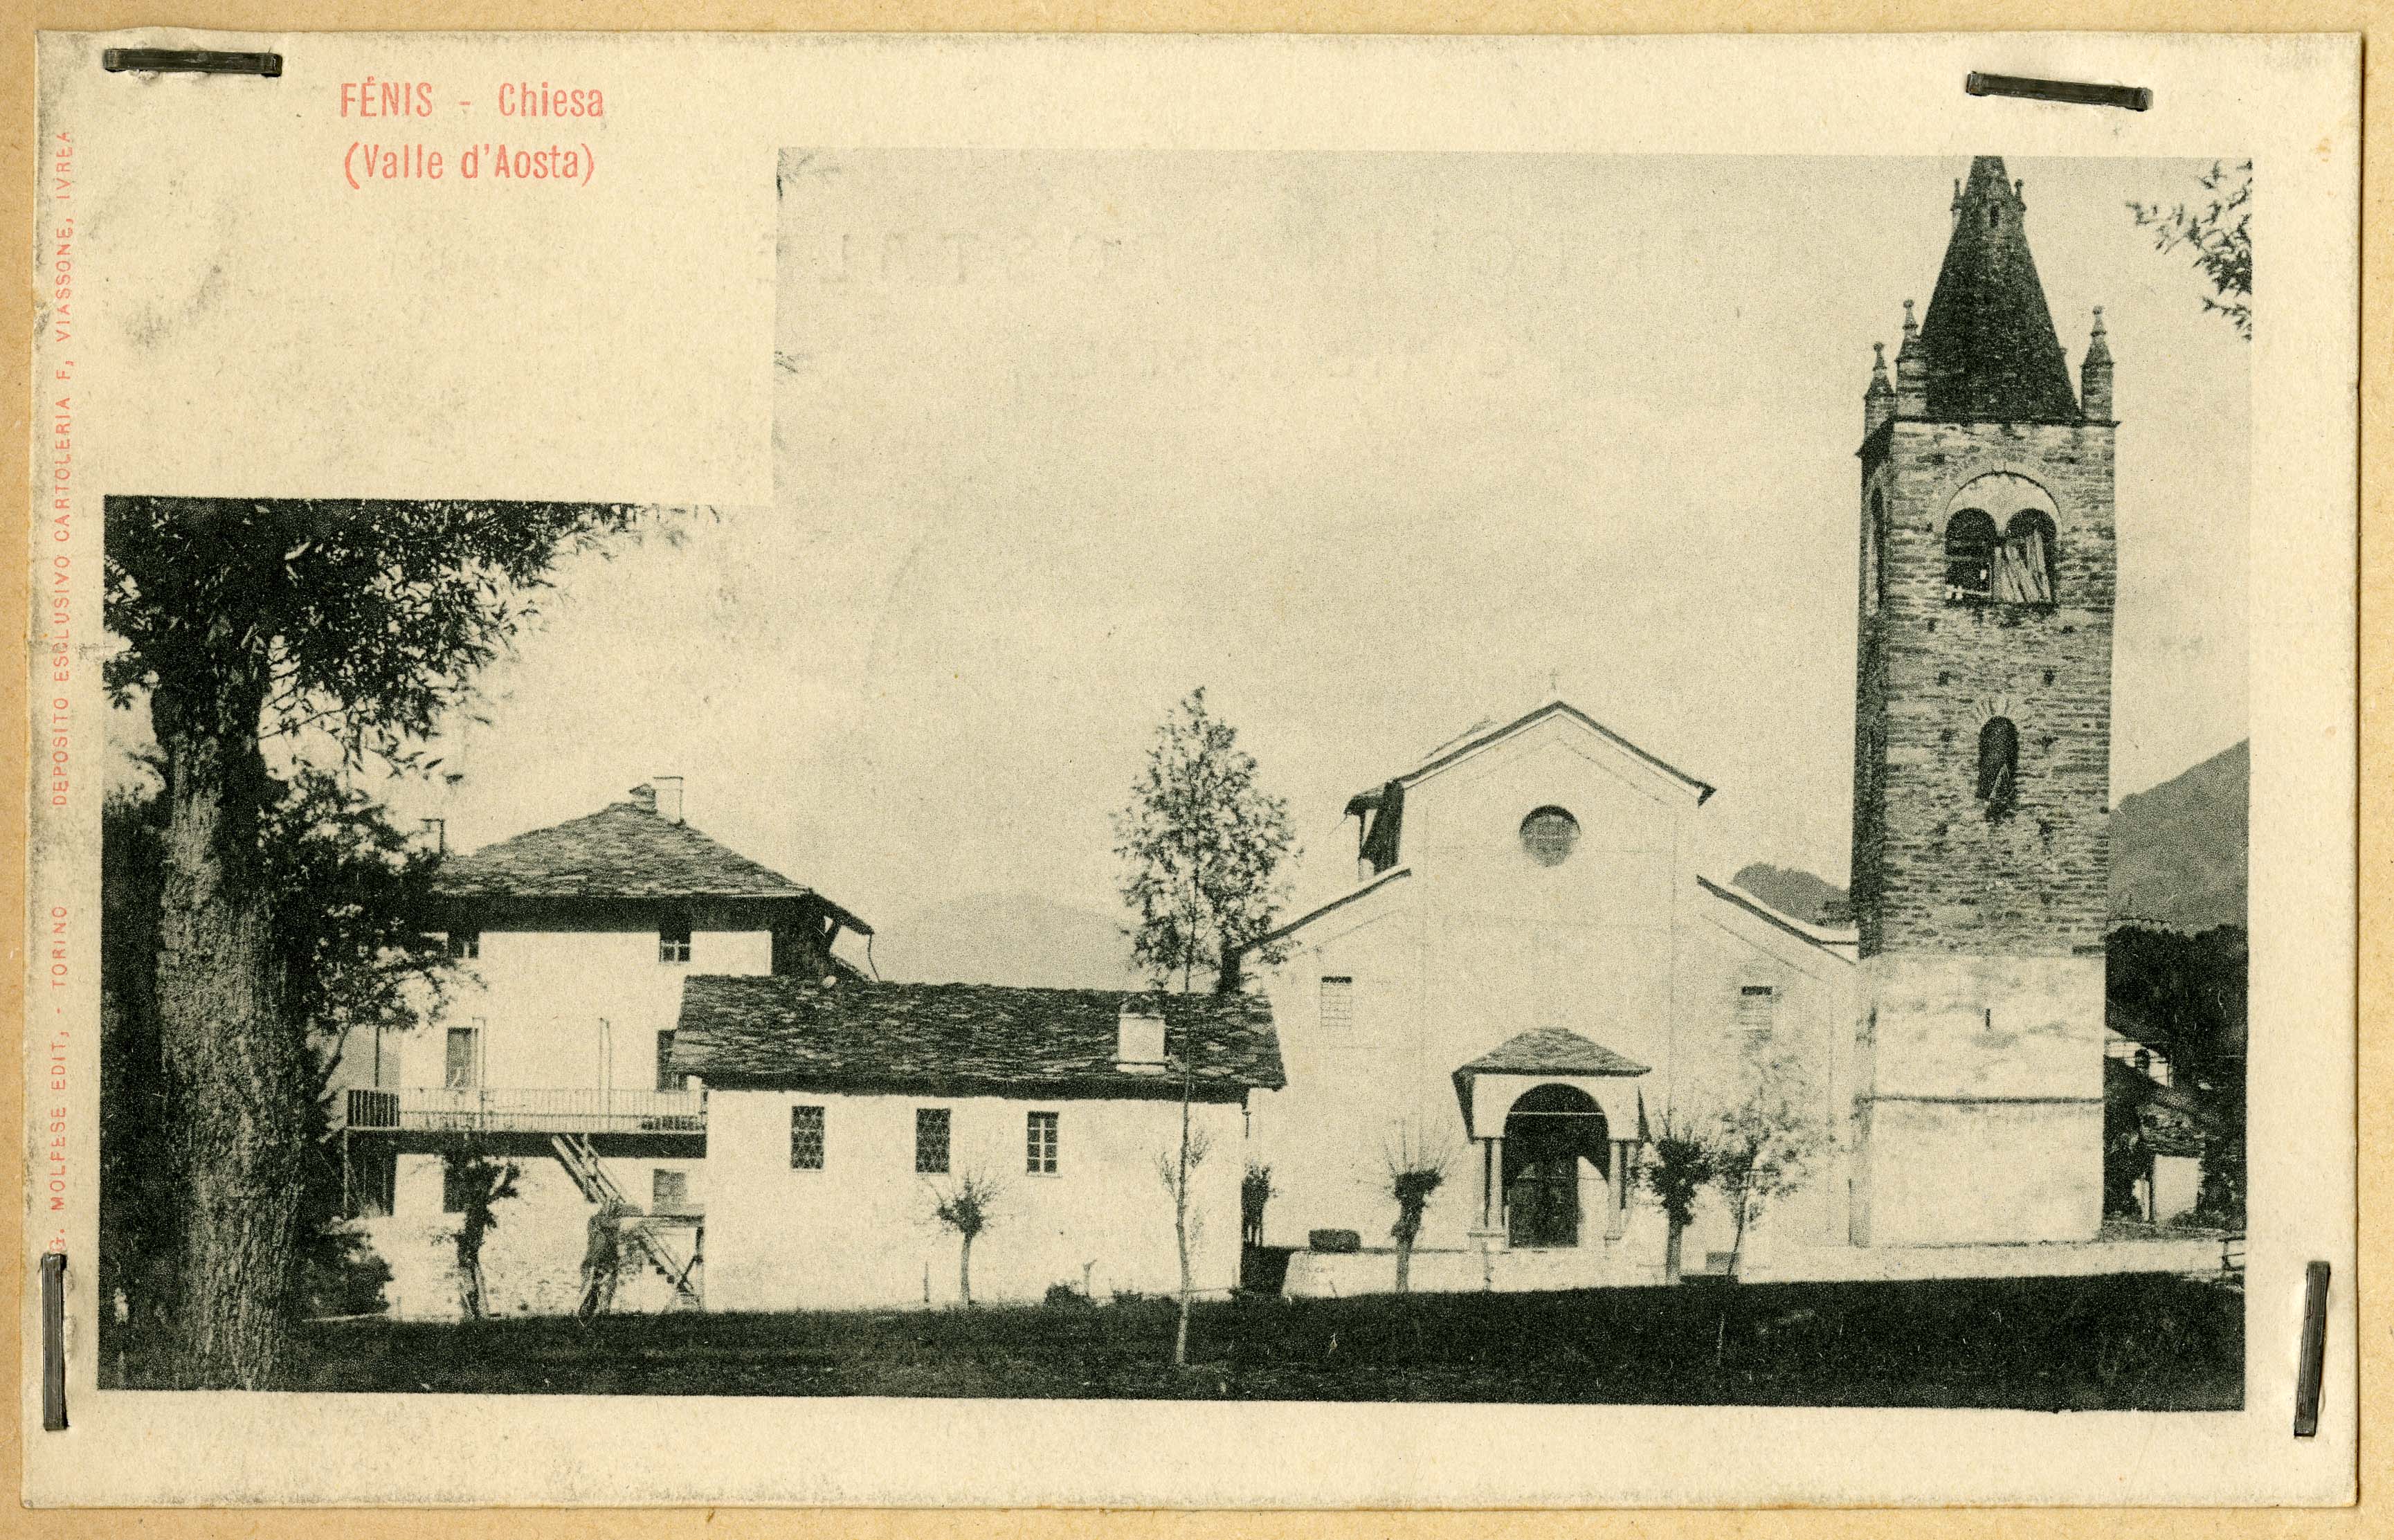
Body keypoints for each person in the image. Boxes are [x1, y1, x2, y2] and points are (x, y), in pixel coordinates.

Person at [576, 1199, 625, 1320]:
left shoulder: (608, 1225)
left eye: (615, 1208)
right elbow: (607, 1224)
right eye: (611, 1207)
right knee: (593, 1288)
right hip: (597, 1261)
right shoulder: (597, 1222)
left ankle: (600, 1313)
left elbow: (613, 1226)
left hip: (607, 1261)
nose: (613, 1210)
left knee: (605, 1289)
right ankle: (587, 1312)